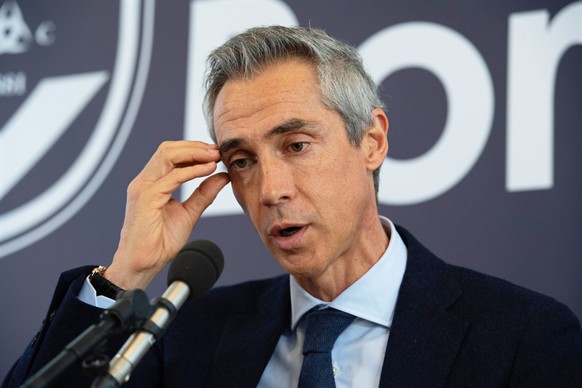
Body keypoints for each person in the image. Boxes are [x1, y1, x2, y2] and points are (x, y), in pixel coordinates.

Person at [3, 25, 582, 388]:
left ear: (372, 140)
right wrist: (126, 274)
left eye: (296, 145)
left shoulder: (524, 336)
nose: (270, 189)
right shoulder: (187, 335)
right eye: (244, 160)